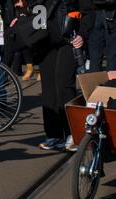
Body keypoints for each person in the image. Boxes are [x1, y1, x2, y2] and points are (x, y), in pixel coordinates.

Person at [22, 0, 94, 151]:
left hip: (69, 39)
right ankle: (54, 135)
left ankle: (72, 133)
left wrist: (82, 34)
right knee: (48, 88)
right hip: (43, 39)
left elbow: (88, 10)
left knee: (63, 85)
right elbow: (32, 6)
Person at [88, 0, 116, 72]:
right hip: (112, 11)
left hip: (93, 10)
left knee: (94, 57)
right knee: (112, 56)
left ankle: (94, 81)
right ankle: (111, 82)